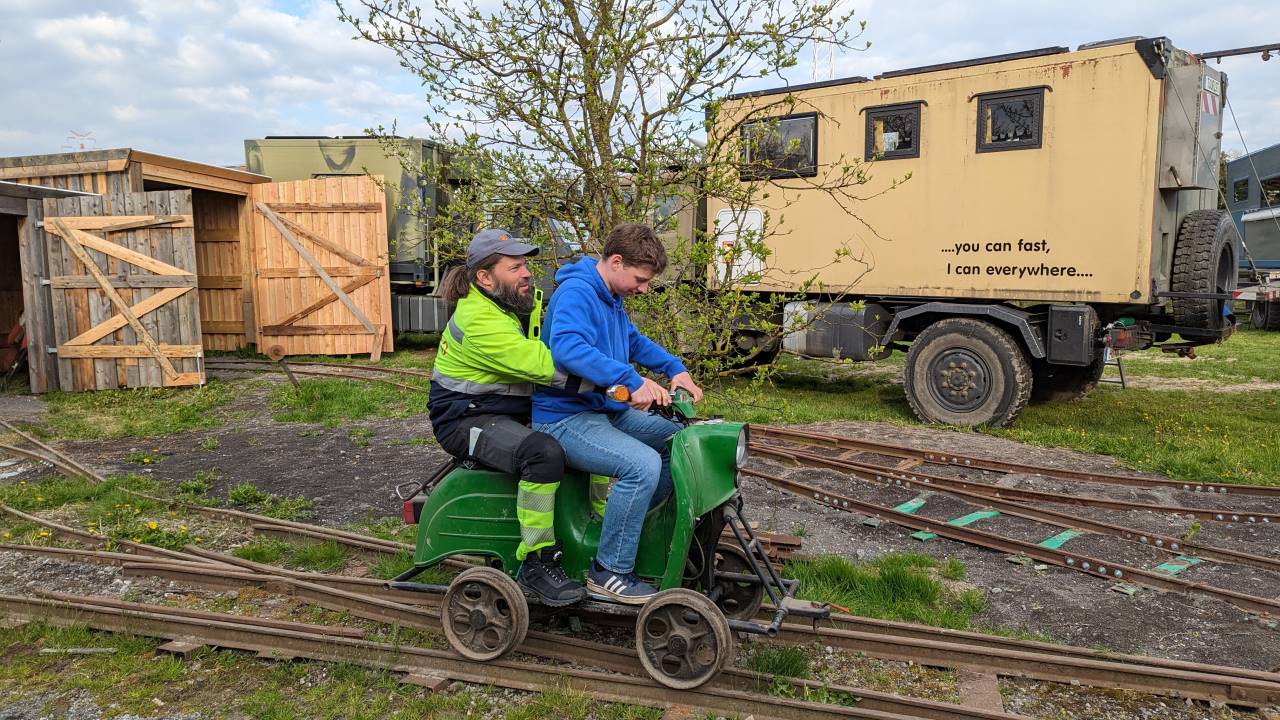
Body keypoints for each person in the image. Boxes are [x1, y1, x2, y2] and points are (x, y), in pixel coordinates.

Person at [532, 223, 703, 604]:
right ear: (615, 261)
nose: (643, 288)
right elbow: (567, 349)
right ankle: (609, 571)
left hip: (600, 411)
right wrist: (629, 379)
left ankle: (629, 533)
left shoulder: (611, 297)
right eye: (640, 279)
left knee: (678, 442)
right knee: (641, 465)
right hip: (564, 418)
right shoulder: (577, 292)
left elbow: (633, 342)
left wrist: (676, 368)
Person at [428, 228, 586, 607]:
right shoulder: (480, 320)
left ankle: (587, 532)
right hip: (464, 420)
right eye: (515, 267)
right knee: (542, 453)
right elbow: (544, 366)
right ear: (484, 277)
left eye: (526, 264)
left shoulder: (509, 306)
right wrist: (615, 383)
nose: (527, 273)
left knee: (584, 431)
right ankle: (536, 562)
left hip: (502, 410)